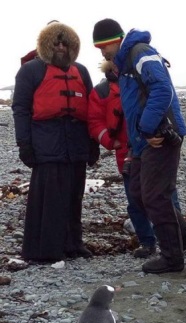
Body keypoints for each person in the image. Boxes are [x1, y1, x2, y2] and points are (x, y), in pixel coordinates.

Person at [92, 19, 186, 274]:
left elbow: (162, 89)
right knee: (139, 191)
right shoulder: (125, 62)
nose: (102, 53)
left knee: (154, 196)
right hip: (142, 139)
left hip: (160, 135)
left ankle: (173, 257)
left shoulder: (140, 52)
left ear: (115, 40)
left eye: (103, 46)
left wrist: (149, 127)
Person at [12, 22, 98, 263]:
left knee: (74, 195)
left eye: (65, 43)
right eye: (56, 42)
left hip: (76, 143)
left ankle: (73, 244)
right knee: (48, 199)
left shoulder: (81, 71)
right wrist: (24, 144)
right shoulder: (31, 71)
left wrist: (93, 144)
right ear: (46, 44)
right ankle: (44, 250)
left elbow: (91, 109)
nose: (61, 47)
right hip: (46, 143)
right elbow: (20, 109)